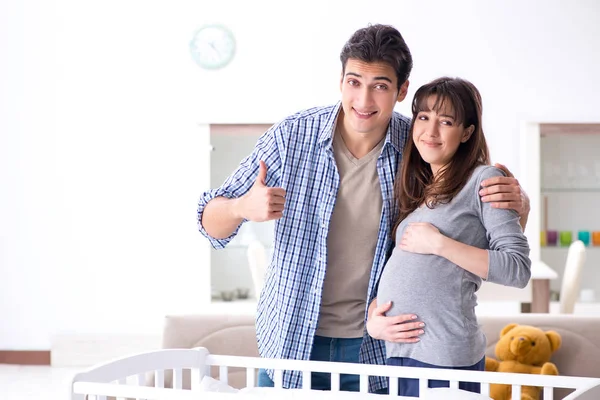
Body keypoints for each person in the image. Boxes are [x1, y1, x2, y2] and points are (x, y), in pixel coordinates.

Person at [197, 24, 530, 393]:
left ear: (402, 91)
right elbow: (209, 222)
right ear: (341, 81)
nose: (364, 100)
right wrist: (244, 206)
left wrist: (518, 201)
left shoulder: (417, 143)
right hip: (291, 343)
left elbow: (471, 207)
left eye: (380, 86)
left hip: (377, 348)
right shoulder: (291, 137)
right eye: (354, 82)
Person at [367, 77, 532, 397]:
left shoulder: (483, 179)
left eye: (446, 121)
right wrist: (375, 323)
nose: (430, 131)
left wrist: (439, 244)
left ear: (467, 132)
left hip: (443, 359)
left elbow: (517, 268)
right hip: (400, 355)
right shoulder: (420, 189)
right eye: (424, 117)